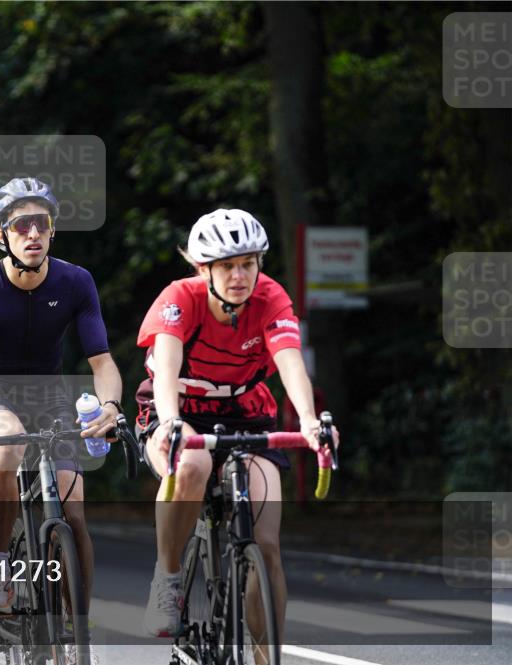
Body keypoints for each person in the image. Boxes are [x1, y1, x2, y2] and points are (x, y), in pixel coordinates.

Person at [135, 209, 340, 648]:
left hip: (245, 412)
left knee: (266, 546)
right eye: (227, 266)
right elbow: (166, 371)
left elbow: (290, 363)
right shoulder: (179, 298)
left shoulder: (271, 298)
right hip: (178, 407)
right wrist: (171, 423)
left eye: (247, 263)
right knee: (191, 464)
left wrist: (308, 422)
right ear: (202, 268)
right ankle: (168, 580)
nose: (239, 275)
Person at [0, 177, 124, 627]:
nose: (32, 233)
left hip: (51, 396)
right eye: (21, 225)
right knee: (6, 445)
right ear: (2, 236)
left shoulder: (75, 281)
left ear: (52, 231)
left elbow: (102, 360)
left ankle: (77, 631)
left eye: (41, 224)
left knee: (74, 510)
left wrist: (109, 407)